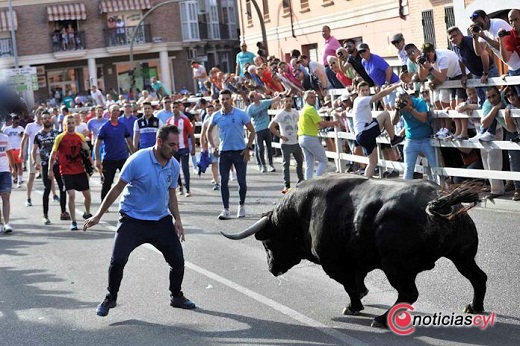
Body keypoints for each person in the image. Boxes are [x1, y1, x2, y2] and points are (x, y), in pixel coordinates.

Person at [84, 124, 196, 316]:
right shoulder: (137, 160)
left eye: (177, 145)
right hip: (132, 220)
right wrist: (98, 215)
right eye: (171, 145)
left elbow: (171, 195)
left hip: (160, 221)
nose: (175, 149)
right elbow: (117, 188)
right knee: (117, 260)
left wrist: (178, 220)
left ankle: (176, 296)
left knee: (177, 260)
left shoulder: (173, 165)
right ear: (159, 142)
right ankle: (111, 297)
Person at [207, 89, 256, 220]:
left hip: (239, 151)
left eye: (227, 99)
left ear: (231, 99)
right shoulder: (216, 115)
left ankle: (241, 205)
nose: (225, 101)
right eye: (222, 99)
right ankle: (226, 209)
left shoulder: (241, 114)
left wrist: (248, 148)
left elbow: (252, 131)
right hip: (224, 152)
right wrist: (213, 146)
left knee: (241, 181)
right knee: (223, 181)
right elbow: (208, 132)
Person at [48, 115, 93, 231]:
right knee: (71, 194)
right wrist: (50, 169)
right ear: (64, 125)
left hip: (79, 169)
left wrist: (87, 149)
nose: (71, 125)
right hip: (66, 170)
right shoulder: (60, 138)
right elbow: (53, 155)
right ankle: (73, 221)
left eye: (73, 123)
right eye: (68, 123)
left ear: (75, 124)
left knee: (87, 194)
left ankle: (87, 213)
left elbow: (87, 152)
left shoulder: (80, 137)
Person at [352, 82, 403, 178]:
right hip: (364, 133)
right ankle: (393, 139)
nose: (365, 92)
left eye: (367, 90)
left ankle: (366, 182)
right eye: (362, 90)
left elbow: (379, 95)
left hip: (362, 135)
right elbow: (380, 95)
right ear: (358, 91)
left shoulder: (360, 101)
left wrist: (385, 89)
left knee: (373, 162)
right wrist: (395, 86)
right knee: (385, 114)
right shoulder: (360, 100)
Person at [447, 26, 497, 110]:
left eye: (455, 36)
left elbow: (484, 54)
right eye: (450, 38)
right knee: (481, 100)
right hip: (477, 74)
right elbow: (460, 60)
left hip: (489, 71)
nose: (453, 39)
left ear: (461, 35)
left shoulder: (469, 41)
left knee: (491, 100)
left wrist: (485, 73)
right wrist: (464, 75)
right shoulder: (455, 47)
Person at [32, 111, 69, 225]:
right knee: (47, 189)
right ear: (41, 120)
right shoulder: (38, 135)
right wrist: (34, 162)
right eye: (44, 118)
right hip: (45, 164)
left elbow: (64, 148)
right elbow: (34, 150)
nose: (47, 120)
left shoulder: (58, 133)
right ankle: (45, 214)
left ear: (51, 119)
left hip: (59, 164)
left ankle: (63, 212)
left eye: (48, 118)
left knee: (62, 187)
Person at [393, 91, 437, 180]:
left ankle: (440, 187)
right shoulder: (400, 106)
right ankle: (405, 190)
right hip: (411, 140)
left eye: (404, 101)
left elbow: (423, 119)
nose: (403, 104)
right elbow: (393, 122)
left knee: (435, 167)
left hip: (426, 139)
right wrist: (397, 110)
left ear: (409, 98)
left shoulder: (420, 102)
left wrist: (410, 109)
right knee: (408, 169)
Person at [297, 90, 340, 180]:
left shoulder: (304, 109)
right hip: (309, 137)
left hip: (302, 137)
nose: (314, 99)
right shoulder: (310, 109)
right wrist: (333, 123)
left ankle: (307, 183)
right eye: (311, 97)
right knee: (323, 160)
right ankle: (316, 181)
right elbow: (321, 123)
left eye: (314, 97)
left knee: (309, 163)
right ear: (306, 99)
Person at [95, 105, 135, 201]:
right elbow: (97, 144)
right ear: (109, 112)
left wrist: (134, 155)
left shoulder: (122, 126)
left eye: (117, 110)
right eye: (114, 110)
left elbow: (129, 141)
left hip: (122, 158)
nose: (116, 112)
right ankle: (104, 203)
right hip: (109, 159)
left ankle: (130, 202)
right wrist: (98, 159)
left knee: (128, 181)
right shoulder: (105, 127)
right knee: (107, 183)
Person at [269, 96, 304, 194]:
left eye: (290, 101)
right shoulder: (280, 114)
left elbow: (300, 123)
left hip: (295, 141)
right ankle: (287, 184)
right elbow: (271, 126)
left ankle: (301, 181)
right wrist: (280, 136)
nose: (288, 103)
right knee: (286, 164)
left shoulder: (295, 112)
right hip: (286, 143)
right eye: (286, 101)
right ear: (283, 102)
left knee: (300, 162)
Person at [246, 91, 281, 173]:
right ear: (252, 98)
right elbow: (247, 119)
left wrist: (280, 95)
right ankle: (262, 165)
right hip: (258, 130)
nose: (258, 95)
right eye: (256, 94)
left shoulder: (264, 103)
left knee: (269, 147)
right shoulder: (251, 108)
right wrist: (250, 130)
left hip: (267, 128)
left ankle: (271, 164)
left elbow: (274, 100)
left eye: (257, 93)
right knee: (260, 148)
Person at [166, 109, 196, 197]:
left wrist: (193, 148)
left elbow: (191, 134)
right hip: (173, 148)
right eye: (173, 107)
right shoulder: (169, 121)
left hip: (184, 147)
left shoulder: (185, 120)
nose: (175, 109)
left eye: (176, 107)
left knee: (185, 167)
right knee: (175, 168)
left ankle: (188, 188)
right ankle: (179, 186)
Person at [20, 109, 43, 206]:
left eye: (42, 114)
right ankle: (28, 198)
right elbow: (24, 139)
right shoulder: (30, 126)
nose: (40, 116)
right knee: (32, 176)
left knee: (49, 176)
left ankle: (54, 195)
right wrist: (22, 152)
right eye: (39, 113)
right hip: (33, 154)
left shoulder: (45, 126)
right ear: (36, 115)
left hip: (44, 154)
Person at [502, 86, 520, 201]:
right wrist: (507, 118)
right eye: (507, 96)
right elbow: (512, 129)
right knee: (514, 157)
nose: (510, 97)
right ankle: (518, 188)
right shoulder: (509, 108)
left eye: (512, 94)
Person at [498, 9, 520, 95]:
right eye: (511, 21)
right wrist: (501, 41)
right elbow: (506, 59)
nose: (513, 23)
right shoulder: (510, 36)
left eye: (516, 19)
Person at [3, 114, 24, 188]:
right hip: (9, 150)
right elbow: (3, 139)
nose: (17, 121)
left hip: (18, 149)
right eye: (15, 120)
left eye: (18, 120)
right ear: (12, 120)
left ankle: (19, 181)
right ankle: (12, 179)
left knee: (19, 166)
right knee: (10, 166)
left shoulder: (20, 128)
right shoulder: (7, 129)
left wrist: (21, 135)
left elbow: (23, 137)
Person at [0, 128, 15, 233]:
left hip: (4, 171)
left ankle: (6, 223)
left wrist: (13, 168)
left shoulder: (5, 138)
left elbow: (9, 154)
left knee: (6, 196)